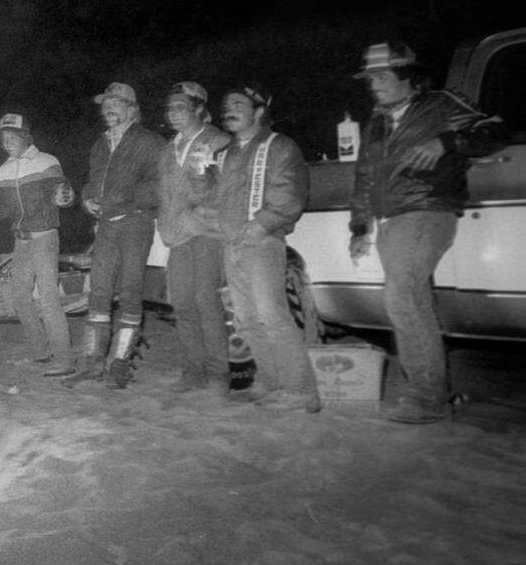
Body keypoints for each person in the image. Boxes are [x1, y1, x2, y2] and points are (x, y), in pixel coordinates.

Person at [348, 42, 507, 424]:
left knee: (402, 297)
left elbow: (495, 130)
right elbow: (365, 177)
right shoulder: (377, 122)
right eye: (370, 79)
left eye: (383, 77)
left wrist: (447, 141)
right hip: (391, 220)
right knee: (410, 300)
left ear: (407, 76)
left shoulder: (441, 104)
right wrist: (358, 226)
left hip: (427, 209)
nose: (374, 85)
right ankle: (430, 391)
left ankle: (426, 398)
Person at [199, 84, 320, 412]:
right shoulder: (224, 153)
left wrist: (259, 225)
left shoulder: (279, 146)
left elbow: (289, 196)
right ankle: (271, 382)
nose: (230, 110)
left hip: (263, 243)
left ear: (259, 111)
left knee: (272, 315)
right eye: (226, 105)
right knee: (247, 319)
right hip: (233, 245)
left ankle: (300, 390)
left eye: (239, 104)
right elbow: (217, 198)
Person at [64, 82, 166, 389]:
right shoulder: (100, 143)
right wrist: (86, 198)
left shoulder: (151, 142)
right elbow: (93, 183)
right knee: (98, 292)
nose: (109, 106)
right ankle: (94, 364)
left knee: (131, 291)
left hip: (135, 223)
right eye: (106, 102)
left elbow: (159, 187)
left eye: (117, 102)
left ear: (133, 109)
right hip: (107, 225)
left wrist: (120, 198)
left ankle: (120, 365)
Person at [0, 113, 76, 376]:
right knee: (20, 299)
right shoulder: (3, 170)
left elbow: (61, 193)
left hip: (44, 238)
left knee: (48, 298)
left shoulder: (47, 161)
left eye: (12, 136)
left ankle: (64, 359)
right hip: (21, 241)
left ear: (25, 136)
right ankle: (40, 352)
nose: (7, 142)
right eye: (3, 138)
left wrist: (64, 196)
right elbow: (8, 208)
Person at [156, 82, 233, 393]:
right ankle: (193, 371)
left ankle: (219, 374)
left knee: (206, 300)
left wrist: (191, 219)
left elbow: (224, 192)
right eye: (170, 108)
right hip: (178, 236)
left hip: (207, 233)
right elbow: (163, 193)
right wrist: (165, 224)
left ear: (199, 109)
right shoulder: (167, 149)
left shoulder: (218, 141)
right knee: (182, 304)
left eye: (181, 108)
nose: (173, 114)